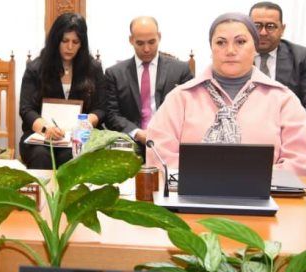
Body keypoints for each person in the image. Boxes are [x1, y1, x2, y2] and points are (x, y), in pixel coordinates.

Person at [147, 13, 306, 176]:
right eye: (221, 42)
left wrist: (247, 179)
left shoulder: (283, 99)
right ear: (211, 48)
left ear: (255, 47)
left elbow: (302, 163)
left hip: (268, 194)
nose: (230, 50)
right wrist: (210, 178)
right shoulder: (180, 98)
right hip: (191, 194)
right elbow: (158, 157)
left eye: (240, 42)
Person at [19, 12, 106, 169]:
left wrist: (85, 123)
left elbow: (100, 108)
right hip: (41, 136)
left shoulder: (93, 69)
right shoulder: (36, 68)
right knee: (41, 156)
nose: (70, 47)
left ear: (82, 44)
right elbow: (26, 109)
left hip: (79, 137)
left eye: (75, 42)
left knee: (71, 155)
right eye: (65, 41)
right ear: (55, 40)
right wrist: (45, 128)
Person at [249, 1, 306, 165]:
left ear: (282, 29)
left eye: (270, 26)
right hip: (248, 136)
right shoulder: (235, 55)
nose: (263, 32)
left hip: (291, 134)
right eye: (257, 26)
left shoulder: (300, 57)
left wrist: (289, 128)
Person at [104, 16, 193, 150]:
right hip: (130, 144)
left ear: (159, 37)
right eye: (140, 43)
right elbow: (111, 114)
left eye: (152, 42)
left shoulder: (180, 71)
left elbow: (190, 110)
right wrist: (137, 133)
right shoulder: (115, 74)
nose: (146, 49)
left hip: (171, 143)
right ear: (131, 40)